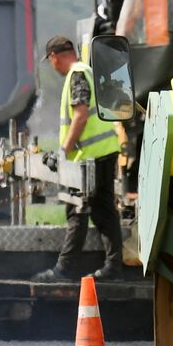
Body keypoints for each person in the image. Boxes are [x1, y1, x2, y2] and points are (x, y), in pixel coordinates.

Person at [33, 36, 124, 283]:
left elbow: (80, 116)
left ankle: (64, 270)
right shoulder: (86, 71)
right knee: (102, 211)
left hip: (91, 157)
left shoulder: (77, 75)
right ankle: (113, 266)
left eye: (50, 61)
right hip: (101, 153)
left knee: (78, 210)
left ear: (54, 57)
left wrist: (62, 151)